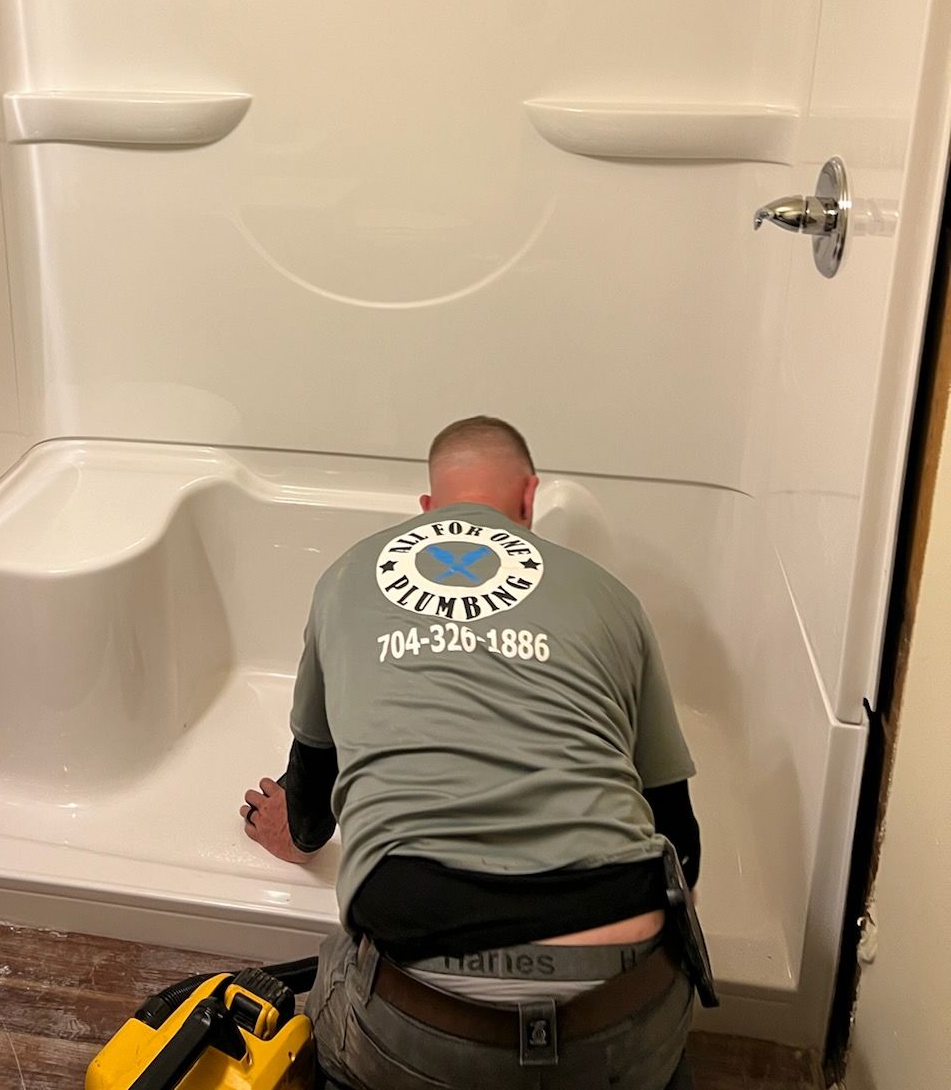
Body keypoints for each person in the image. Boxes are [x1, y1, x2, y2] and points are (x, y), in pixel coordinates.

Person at [241, 415, 703, 1090]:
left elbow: (311, 804)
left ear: (428, 508)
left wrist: (298, 832)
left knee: (329, 994)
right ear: (529, 496)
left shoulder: (345, 579)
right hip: (632, 1011)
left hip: (421, 1035)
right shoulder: (613, 598)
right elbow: (681, 842)